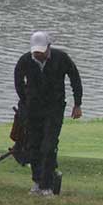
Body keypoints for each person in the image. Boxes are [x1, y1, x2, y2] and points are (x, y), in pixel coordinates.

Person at [14, 31, 83, 196]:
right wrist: (25, 101)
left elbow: (75, 78)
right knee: (34, 145)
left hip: (54, 108)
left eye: (41, 51)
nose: (39, 54)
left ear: (48, 47)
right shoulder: (25, 61)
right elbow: (18, 82)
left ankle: (47, 186)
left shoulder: (61, 58)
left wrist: (77, 104)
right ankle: (37, 182)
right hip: (33, 109)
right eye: (36, 52)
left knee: (49, 146)